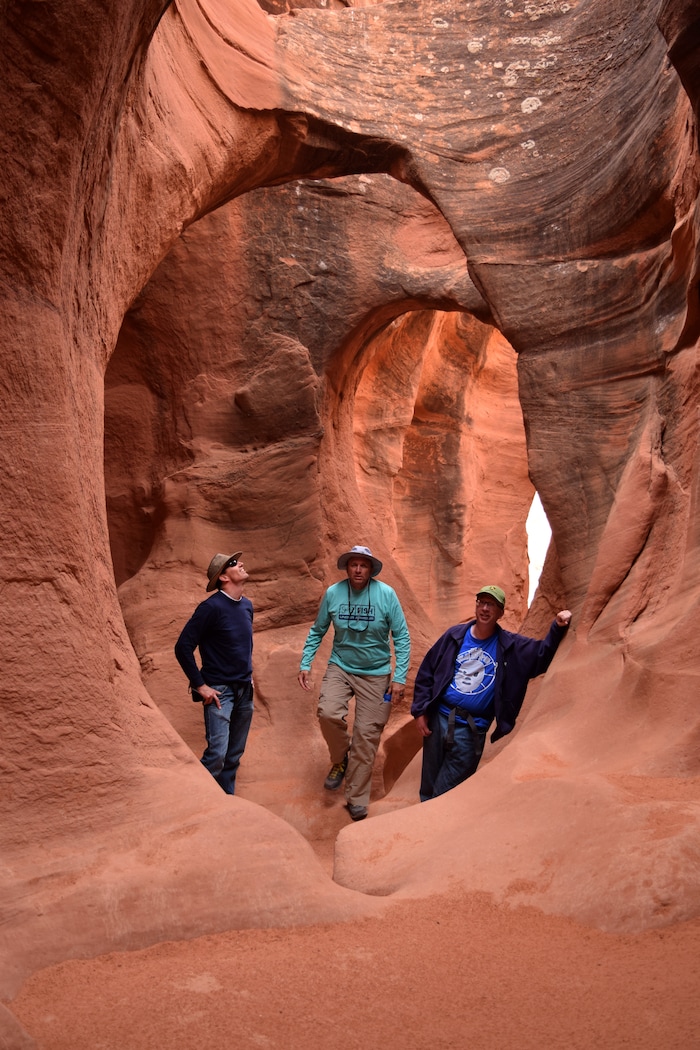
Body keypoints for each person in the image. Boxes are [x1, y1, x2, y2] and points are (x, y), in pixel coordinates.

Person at [412, 584, 572, 801]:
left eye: (492, 605)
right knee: (428, 786)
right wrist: (420, 710)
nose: (485, 609)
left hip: (471, 729)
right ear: (477, 606)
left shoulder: (510, 645)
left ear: (500, 613)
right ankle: (420, 830)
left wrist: (557, 627)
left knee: (446, 794)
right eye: (482, 603)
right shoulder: (454, 636)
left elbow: (541, 656)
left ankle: (432, 828)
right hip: (439, 720)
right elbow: (427, 671)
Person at [298, 545, 410, 822]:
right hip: (341, 666)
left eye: (364, 565)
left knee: (366, 737)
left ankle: (357, 798)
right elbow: (318, 630)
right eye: (353, 564)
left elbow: (402, 637)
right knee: (328, 713)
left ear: (371, 569)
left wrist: (399, 677)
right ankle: (340, 758)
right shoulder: (334, 594)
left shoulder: (386, 595)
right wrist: (305, 662)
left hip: (376, 673)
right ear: (347, 568)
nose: (358, 569)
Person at [175, 551, 254, 795]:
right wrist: (200, 685)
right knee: (217, 754)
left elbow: (240, 645)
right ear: (222, 577)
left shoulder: (247, 606)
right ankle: (197, 802)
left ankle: (226, 802)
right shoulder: (211, 607)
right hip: (220, 691)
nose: (240, 563)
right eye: (233, 563)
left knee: (233, 755)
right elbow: (183, 646)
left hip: (245, 690)